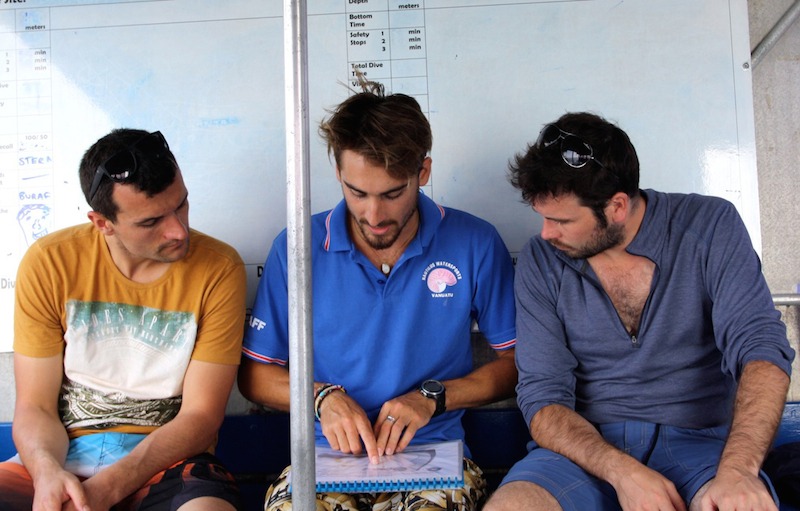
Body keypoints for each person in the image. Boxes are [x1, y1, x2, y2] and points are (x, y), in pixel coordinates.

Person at [484, 112, 795, 511]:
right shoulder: (541, 260)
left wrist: (738, 472)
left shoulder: (712, 225)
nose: (546, 233)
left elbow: (762, 352)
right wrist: (621, 471)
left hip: (703, 448)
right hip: (586, 452)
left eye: (560, 220)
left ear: (616, 207)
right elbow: (543, 399)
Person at [238, 80, 517, 511]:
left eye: (392, 194)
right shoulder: (297, 246)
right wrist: (322, 398)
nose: (373, 215)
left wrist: (432, 398)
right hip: (322, 461)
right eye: (357, 193)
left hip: (437, 459)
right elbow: (255, 376)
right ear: (338, 174)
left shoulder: (475, 242)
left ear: (422, 173)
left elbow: (514, 364)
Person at [0, 129, 247, 511]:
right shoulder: (49, 262)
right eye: (151, 222)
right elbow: (35, 408)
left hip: (166, 462)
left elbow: (201, 416)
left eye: (181, 205)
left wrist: (106, 490)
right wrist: (49, 474)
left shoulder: (219, 268)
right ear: (102, 223)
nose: (178, 231)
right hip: (60, 454)